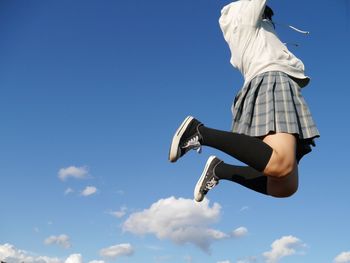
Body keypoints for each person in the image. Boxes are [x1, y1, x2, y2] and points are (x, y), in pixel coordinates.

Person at [168, 0, 320, 202]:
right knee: (281, 164)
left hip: (274, 84)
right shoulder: (242, 17)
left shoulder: (256, 33)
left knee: (284, 187)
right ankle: (198, 132)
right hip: (272, 81)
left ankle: (220, 169)